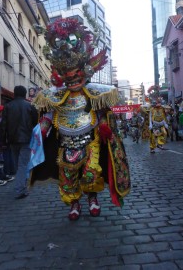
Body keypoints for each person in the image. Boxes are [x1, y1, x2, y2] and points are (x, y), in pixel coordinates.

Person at [31, 18, 130, 221]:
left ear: (84, 72)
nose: (73, 80)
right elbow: (49, 114)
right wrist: (42, 129)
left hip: (90, 140)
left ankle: (92, 198)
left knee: (91, 171)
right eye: (68, 77)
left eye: (76, 75)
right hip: (65, 142)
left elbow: (101, 112)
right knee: (67, 175)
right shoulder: (56, 96)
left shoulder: (94, 94)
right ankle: (74, 203)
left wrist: (104, 127)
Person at [1, 85, 38, 199]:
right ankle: (20, 189)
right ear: (25, 94)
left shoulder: (7, 106)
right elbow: (36, 122)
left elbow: (3, 126)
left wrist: (3, 141)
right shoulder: (30, 106)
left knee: (19, 164)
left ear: (15, 94)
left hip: (12, 140)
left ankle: (22, 185)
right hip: (26, 139)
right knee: (22, 165)